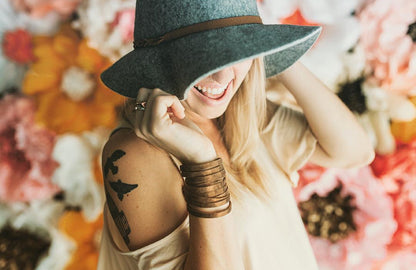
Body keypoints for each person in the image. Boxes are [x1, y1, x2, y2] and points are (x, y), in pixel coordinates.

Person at [97, 0, 375, 269]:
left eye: (234, 54)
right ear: (158, 62)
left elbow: (355, 152)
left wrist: (268, 51)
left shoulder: (243, 117)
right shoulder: (134, 154)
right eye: (202, 58)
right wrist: (201, 162)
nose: (221, 78)